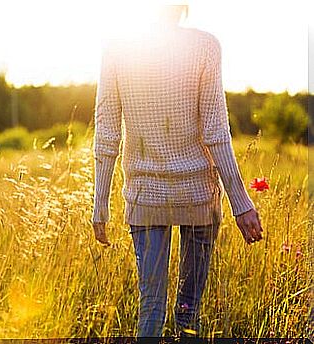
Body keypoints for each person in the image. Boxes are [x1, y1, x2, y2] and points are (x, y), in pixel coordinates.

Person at [91, 3, 264, 338]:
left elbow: (107, 133)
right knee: (188, 312)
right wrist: (241, 204)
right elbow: (216, 132)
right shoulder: (205, 46)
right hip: (198, 197)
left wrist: (100, 206)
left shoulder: (117, 48)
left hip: (145, 199)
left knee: (151, 307)